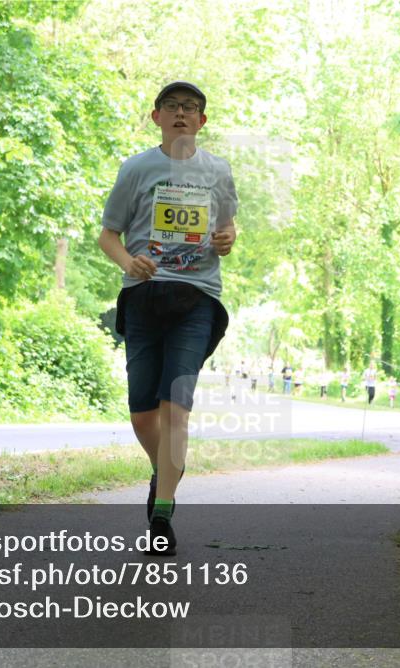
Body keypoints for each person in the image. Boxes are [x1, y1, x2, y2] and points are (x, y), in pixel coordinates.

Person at [98, 80, 238, 556]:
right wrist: (127, 262)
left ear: (202, 122)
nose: (182, 113)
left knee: (175, 407)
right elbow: (108, 235)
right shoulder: (136, 168)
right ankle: (166, 468)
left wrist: (227, 238)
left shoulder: (217, 171)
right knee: (142, 415)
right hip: (143, 296)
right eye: (173, 106)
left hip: (197, 298)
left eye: (191, 108)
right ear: (155, 116)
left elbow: (228, 225)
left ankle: (162, 511)